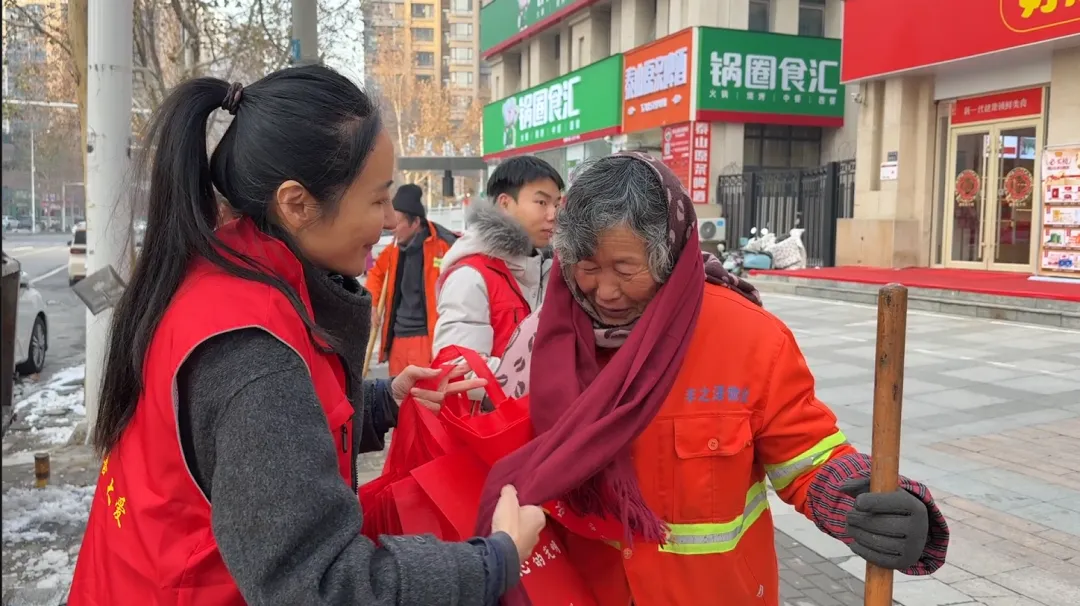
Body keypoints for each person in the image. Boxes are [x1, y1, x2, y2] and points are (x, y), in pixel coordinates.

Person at [68, 65, 544, 606]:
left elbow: (261, 445)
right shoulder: (254, 355)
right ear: (296, 203)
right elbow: (319, 585)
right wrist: (493, 559)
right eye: (377, 200)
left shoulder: (222, 275)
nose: (389, 220)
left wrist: (384, 401)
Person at [475, 152, 950, 605]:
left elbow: (807, 458)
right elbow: (501, 456)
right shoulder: (542, 343)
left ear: (669, 254)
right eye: (587, 268)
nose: (605, 291)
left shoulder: (748, 337)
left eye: (625, 268)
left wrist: (866, 503)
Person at [433, 156, 563, 371]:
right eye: (542, 202)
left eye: (557, 204)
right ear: (505, 204)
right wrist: (546, 376)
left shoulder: (552, 269)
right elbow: (458, 365)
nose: (553, 215)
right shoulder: (470, 276)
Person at [365, 183, 458, 376]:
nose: (392, 228)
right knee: (396, 393)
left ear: (415, 222)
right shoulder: (392, 250)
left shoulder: (444, 247)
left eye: (398, 222)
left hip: (427, 339)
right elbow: (376, 274)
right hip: (397, 340)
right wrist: (372, 302)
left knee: (424, 391)